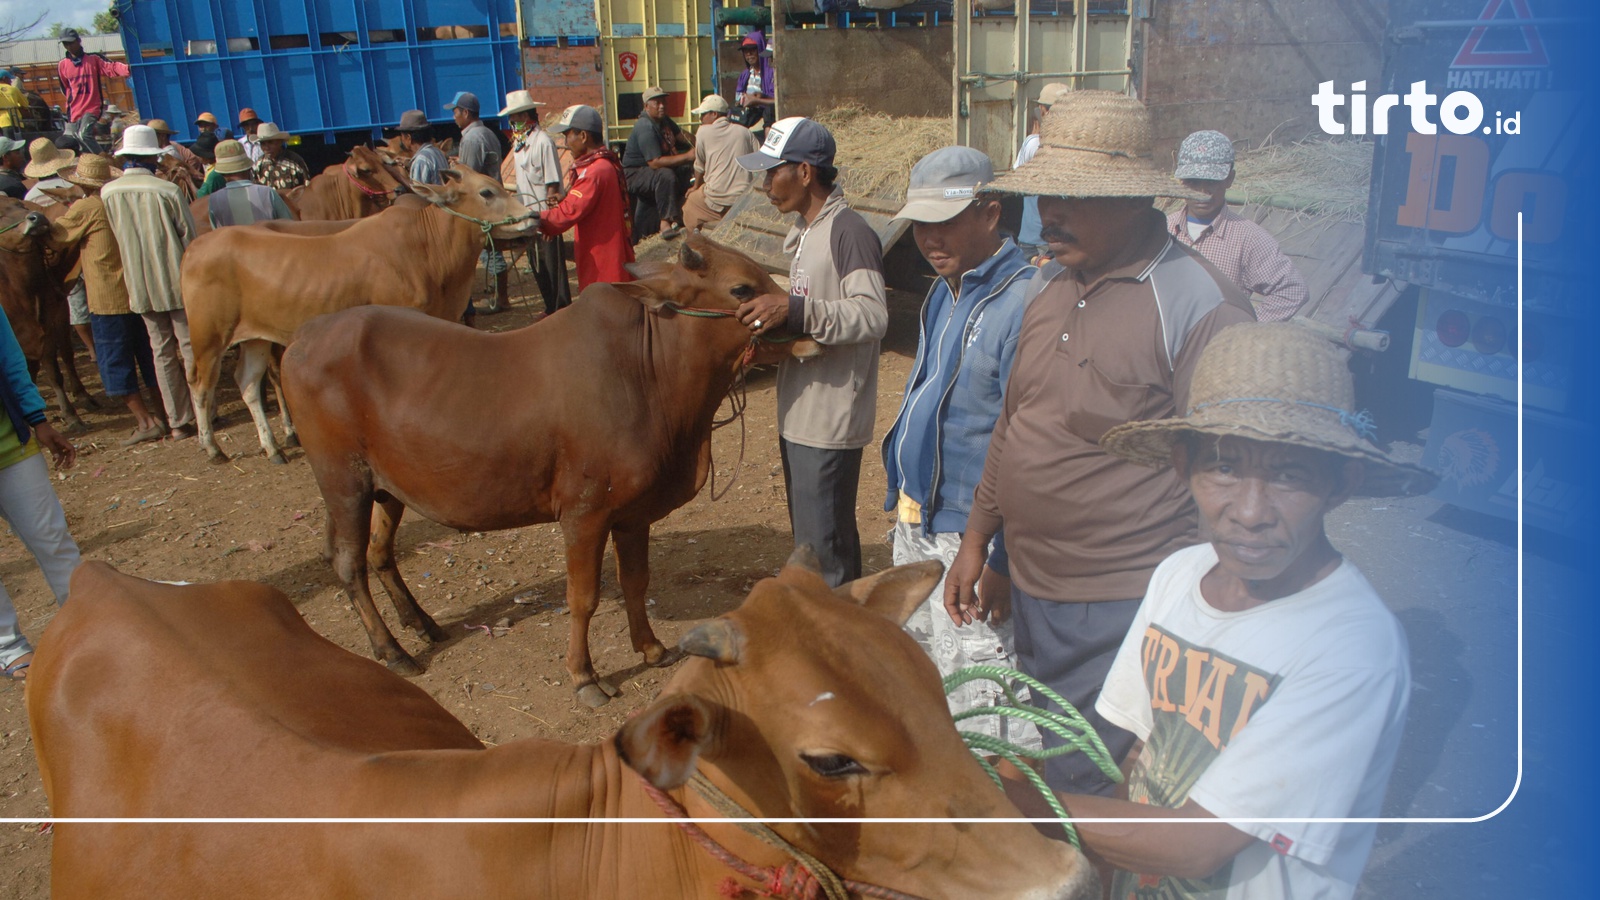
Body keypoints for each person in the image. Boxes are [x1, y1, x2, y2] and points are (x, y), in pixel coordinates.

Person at [1027, 322, 1436, 899]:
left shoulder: (1353, 646)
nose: (1249, 512)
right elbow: (1142, 754)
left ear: (1340, 484)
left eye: (1289, 475)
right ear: (1181, 465)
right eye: (1223, 467)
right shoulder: (1181, 574)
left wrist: (1013, 806)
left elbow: (1200, 846)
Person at [944, 91, 1257, 796]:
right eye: (1046, 192)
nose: (1049, 213)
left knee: (1096, 786)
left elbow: (1231, 482)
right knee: (1058, 760)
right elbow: (1017, 422)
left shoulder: (1200, 306)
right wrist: (980, 545)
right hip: (1033, 587)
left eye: (1074, 196)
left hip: (1124, 600)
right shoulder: (1049, 283)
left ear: (1134, 200)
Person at [880, 145, 1040, 750]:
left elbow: (1023, 439)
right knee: (926, 670)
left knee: (985, 686)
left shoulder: (1024, 300)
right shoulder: (942, 292)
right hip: (920, 517)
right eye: (920, 223)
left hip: (969, 532)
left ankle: (1002, 817)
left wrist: (996, 552)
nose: (928, 237)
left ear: (991, 213)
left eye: (943, 222)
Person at [734, 117, 887, 587]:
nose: (764, 186)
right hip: (802, 411)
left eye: (771, 173)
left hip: (830, 417)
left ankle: (838, 650)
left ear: (804, 172)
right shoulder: (807, 231)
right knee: (811, 546)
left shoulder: (849, 231)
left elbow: (872, 315)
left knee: (827, 555)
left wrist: (795, 310)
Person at [51, 154, 166, 446]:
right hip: (138, 290)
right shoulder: (120, 198)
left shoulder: (86, 206)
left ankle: (145, 421)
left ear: (80, 183)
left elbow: (57, 236)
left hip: (107, 297)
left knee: (114, 362)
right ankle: (166, 414)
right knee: (150, 356)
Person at [100, 124, 199, 441]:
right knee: (189, 347)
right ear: (153, 159)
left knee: (161, 352)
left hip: (138, 283)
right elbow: (190, 237)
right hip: (176, 278)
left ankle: (178, 421)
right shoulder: (167, 191)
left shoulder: (108, 193)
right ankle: (203, 412)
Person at [0, 290, 80, 679]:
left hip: (11, 444)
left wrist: (38, 419)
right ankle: (10, 647)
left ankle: (89, 621)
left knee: (52, 537)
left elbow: (11, 360)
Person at [1168, 130, 1310, 323]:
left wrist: (1242, 329)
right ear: (1181, 181)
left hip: (1215, 347)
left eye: (1212, 181)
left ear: (1229, 179)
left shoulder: (1247, 238)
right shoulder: (1163, 229)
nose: (1202, 191)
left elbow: (1293, 290)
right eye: (1193, 182)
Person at [540, 104, 633, 290]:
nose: (566, 143)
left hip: (603, 268)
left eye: (568, 135)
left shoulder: (594, 172)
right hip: (608, 260)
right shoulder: (604, 165)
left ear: (583, 136)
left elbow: (568, 213)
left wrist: (532, 218)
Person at [24, 138, 96, 360]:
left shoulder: (29, 196)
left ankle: (92, 350)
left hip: (54, 257)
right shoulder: (74, 185)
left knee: (75, 305)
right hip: (87, 248)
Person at [500, 90, 570, 316]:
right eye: (513, 118)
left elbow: (552, 184)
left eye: (519, 117)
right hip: (527, 215)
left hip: (544, 214)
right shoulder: (520, 144)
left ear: (528, 116)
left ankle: (561, 308)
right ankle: (550, 306)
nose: (515, 122)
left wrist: (551, 220)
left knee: (552, 265)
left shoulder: (542, 142)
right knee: (537, 264)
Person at [446, 91, 508, 317]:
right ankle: (500, 296)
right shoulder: (485, 132)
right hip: (489, 196)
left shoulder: (472, 138)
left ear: (465, 113)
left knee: (488, 250)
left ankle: (500, 299)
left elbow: (468, 177)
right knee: (491, 249)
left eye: (455, 111)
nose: (453, 116)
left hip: (482, 202)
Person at [621, 85, 694, 240]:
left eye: (663, 102)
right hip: (635, 173)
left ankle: (682, 209)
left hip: (650, 169)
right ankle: (665, 223)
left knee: (686, 168)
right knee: (666, 175)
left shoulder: (664, 120)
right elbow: (654, 162)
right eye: (657, 103)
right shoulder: (645, 126)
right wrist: (687, 156)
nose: (662, 106)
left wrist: (698, 142)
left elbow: (681, 136)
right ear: (646, 106)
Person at [682, 93, 758, 232]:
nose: (700, 119)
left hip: (717, 197)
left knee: (689, 205)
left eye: (703, 115)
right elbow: (758, 161)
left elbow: (699, 166)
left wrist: (696, 186)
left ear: (714, 114)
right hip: (743, 197)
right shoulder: (745, 132)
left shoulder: (703, 132)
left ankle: (698, 239)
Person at [1014, 82, 1067, 260]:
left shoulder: (1033, 143)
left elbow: (1017, 179)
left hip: (1032, 237)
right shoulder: (1078, 149)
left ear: (1042, 110)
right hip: (1063, 237)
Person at [56, 29, 130, 154]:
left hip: (92, 107)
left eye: (71, 43)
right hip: (74, 109)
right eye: (65, 44)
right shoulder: (63, 65)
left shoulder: (93, 59)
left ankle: (103, 159)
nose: (68, 46)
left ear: (79, 41)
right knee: (68, 141)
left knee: (84, 134)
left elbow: (111, 67)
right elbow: (65, 88)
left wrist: (128, 69)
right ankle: (84, 163)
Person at [205, 139, 295, 228]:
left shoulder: (214, 200)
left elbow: (216, 232)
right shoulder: (268, 193)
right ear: (248, 169)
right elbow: (288, 226)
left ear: (222, 174)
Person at [734, 31, 776, 132]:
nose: (749, 54)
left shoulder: (772, 73)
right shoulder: (745, 75)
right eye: (745, 51)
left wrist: (757, 99)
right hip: (748, 114)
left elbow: (778, 102)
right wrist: (744, 99)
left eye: (752, 50)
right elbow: (737, 100)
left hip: (766, 116)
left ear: (760, 49)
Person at [393, 109, 447, 186]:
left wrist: (398, 176)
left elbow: (419, 193)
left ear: (409, 138)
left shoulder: (421, 160)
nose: (402, 139)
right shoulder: (437, 152)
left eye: (402, 136)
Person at [250, 123, 309, 191]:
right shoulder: (259, 164)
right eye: (263, 143)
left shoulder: (295, 161)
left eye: (270, 142)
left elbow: (307, 187)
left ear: (280, 142)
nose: (266, 147)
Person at [0, 70, 25, 140]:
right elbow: (25, 104)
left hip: (2, 122)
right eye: (9, 79)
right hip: (15, 121)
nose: (11, 81)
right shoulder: (14, 89)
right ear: (4, 78)